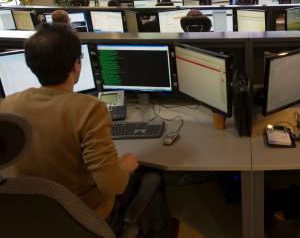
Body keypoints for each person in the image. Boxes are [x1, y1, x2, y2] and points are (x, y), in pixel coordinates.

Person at [0, 24, 172, 236]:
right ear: (76, 65)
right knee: (152, 175)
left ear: (31, 65)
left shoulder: (7, 105)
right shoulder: (88, 109)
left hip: (36, 218)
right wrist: (124, 166)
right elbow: (113, 186)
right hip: (86, 217)